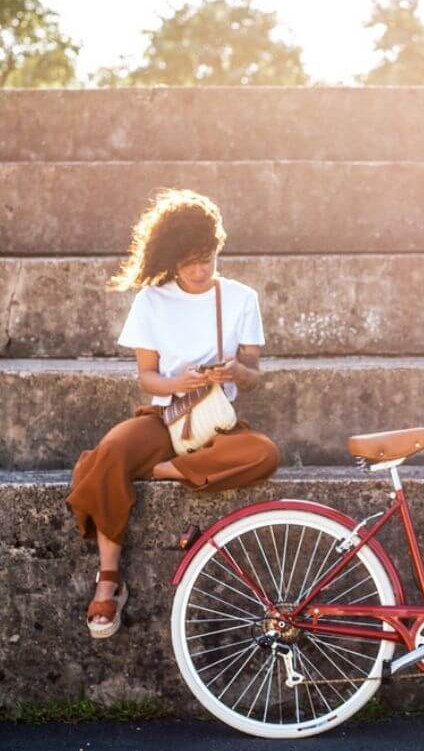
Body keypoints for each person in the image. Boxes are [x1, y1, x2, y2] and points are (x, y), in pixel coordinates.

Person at [65, 188, 280, 639]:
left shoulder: (240, 297)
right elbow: (147, 377)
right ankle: (109, 578)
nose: (200, 269)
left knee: (263, 453)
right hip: (165, 416)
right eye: (188, 261)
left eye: (208, 257)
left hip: (216, 423)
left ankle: (161, 470)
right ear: (170, 258)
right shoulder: (152, 300)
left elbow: (255, 375)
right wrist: (178, 383)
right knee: (109, 452)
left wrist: (235, 370)